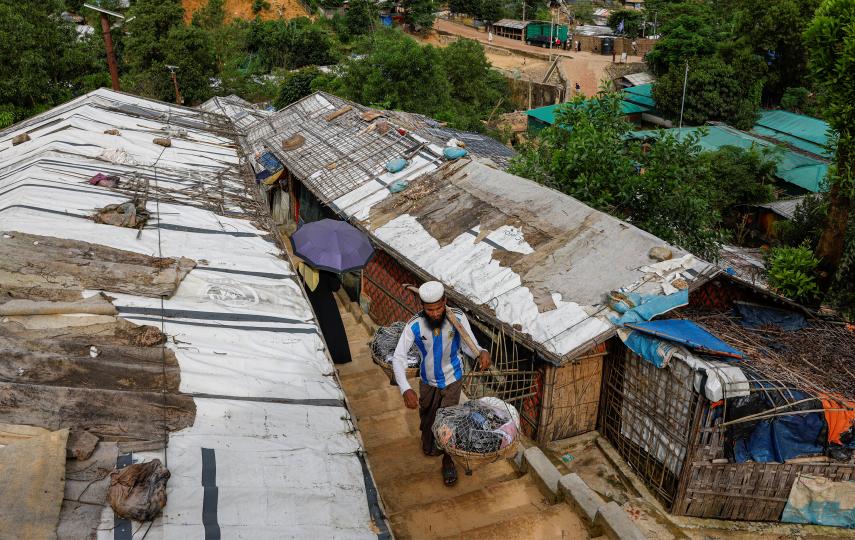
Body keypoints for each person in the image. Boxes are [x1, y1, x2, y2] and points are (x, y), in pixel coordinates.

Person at [392, 281, 491, 487]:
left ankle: (448, 460)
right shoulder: (414, 326)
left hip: (453, 378)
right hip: (428, 380)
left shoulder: (458, 318)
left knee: (448, 422)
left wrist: (481, 352)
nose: (436, 313)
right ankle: (430, 443)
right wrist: (405, 388)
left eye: (439, 308)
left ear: (445, 301)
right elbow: (398, 358)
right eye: (430, 310)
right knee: (427, 416)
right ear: (422, 307)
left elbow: (469, 344)